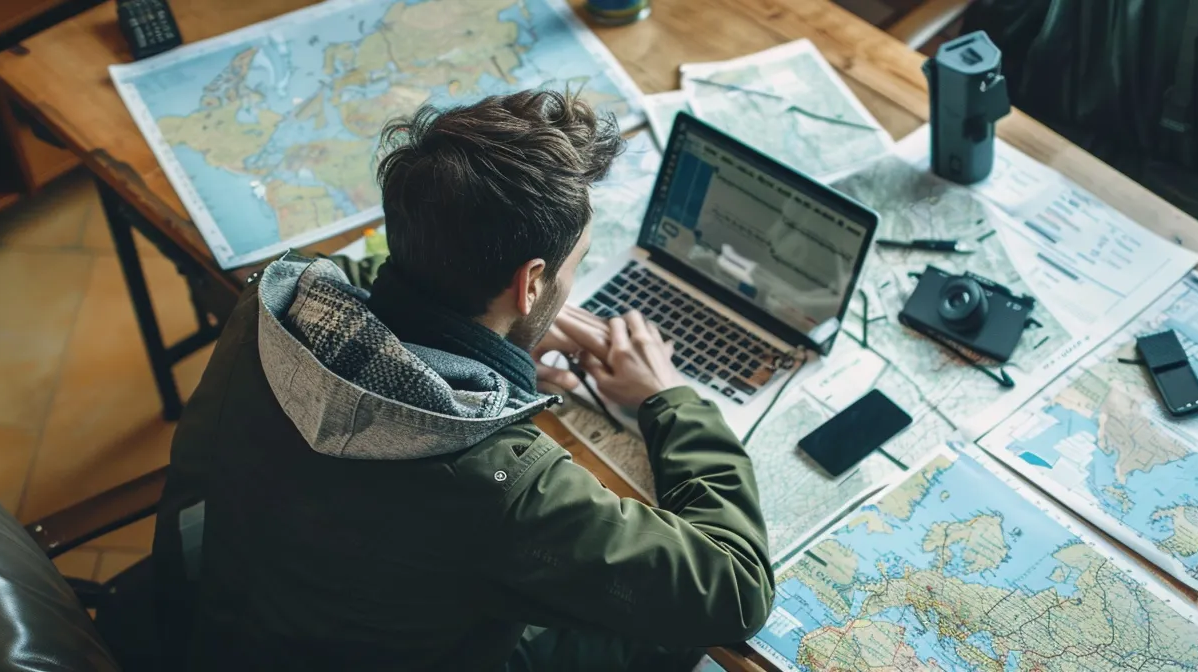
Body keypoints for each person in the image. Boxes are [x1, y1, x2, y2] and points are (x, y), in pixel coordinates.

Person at [154, 89, 774, 671]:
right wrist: (672, 400)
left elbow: (365, 273)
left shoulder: (276, 300)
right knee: (660, 642)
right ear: (530, 284)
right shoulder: (496, 483)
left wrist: (501, 331)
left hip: (239, 623)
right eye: (571, 268)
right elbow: (735, 589)